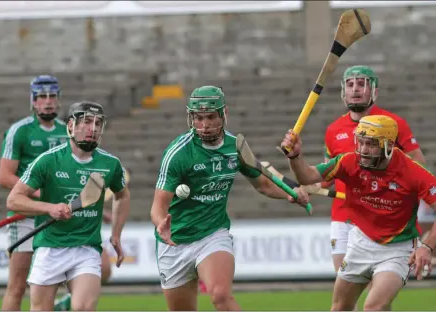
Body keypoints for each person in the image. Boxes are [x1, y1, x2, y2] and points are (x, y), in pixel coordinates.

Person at [150, 85, 310, 311]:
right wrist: (160, 224)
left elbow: (263, 184)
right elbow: (158, 205)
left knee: (220, 296)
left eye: (211, 117)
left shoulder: (236, 147)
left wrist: (291, 194)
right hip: (174, 242)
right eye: (198, 118)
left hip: (212, 235)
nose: (204, 125)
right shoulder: (178, 153)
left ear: (224, 114)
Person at [280, 115, 436, 311]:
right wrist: (295, 158)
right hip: (361, 242)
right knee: (340, 308)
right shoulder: (349, 161)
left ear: (388, 145)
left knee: (374, 307)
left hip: (397, 250)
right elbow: (308, 176)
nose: (362, 150)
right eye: (360, 142)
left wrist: (427, 247)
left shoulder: (413, 172)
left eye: (370, 144)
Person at [6, 101, 131, 311]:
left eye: (98, 123)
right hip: (50, 248)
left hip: (86, 248)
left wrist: (116, 234)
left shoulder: (110, 164)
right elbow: (14, 200)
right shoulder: (47, 161)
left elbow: (123, 196)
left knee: (83, 307)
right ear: (71, 125)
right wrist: (49, 208)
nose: (93, 128)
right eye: (87, 122)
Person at [322, 65, 427, 274]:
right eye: (350, 84)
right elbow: (326, 178)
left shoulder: (394, 124)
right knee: (343, 294)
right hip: (343, 216)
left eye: (362, 84)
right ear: (343, 90)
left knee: (376, 299)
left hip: (383, 217)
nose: (355, 89)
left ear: (375, 91)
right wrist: (303, 189)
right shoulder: (333, 130)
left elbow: (419, 167)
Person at [0, 75, 68, 311]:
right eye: (41, 97)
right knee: (17, 286)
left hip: (58, 216)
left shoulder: (69, 131)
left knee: (57, 283)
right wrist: (41, 194)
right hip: (26, 217)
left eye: (52, 96)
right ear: (33, 100)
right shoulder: (19, 131)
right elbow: (5, 176)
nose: (47, 102)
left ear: (58, 99)